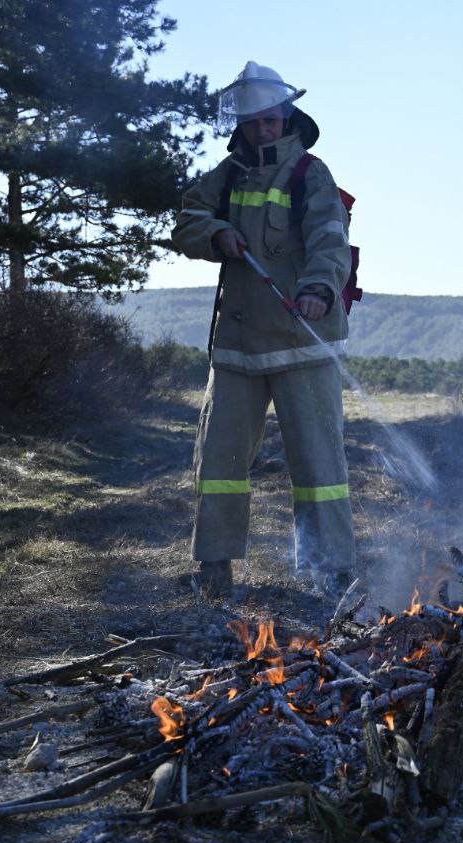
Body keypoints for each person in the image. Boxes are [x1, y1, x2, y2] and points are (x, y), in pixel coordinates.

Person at [171, 61, 354, 598]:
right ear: (243, 126)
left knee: (320, 467)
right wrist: (216, 231)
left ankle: (331, 571)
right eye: (253, 123)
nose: (263, 129)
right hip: (238, 346)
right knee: (220, 463)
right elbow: (186, 222)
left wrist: (319, 290)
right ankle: (214, 567)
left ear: (287, 115)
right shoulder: (224, 176)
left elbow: (329, 240)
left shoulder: (310, 174)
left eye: (271, 120)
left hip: (304, 340)